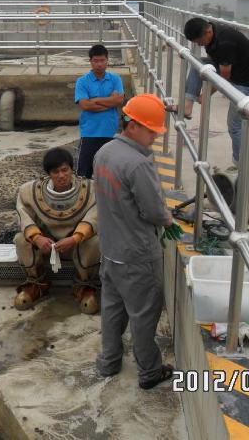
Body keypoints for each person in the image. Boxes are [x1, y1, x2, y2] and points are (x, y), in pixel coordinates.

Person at [93, 94, 183, 389]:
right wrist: (169, 220)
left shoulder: (104, 152)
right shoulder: (138, 164)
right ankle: (149, 372)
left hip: (111, 251)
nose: (155, 136)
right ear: (132, 126)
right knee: (144, 315)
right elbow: (155, 211)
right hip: (137, 255)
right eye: (151, 130)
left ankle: (109, 361)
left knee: (112, 309)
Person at [13, 147, 101, 314]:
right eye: (55, 172)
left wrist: (75, 238)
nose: (61, 175)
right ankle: (37, 283)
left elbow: (95, 216)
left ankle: (83, 285)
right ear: (48, 173)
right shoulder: (29, 191)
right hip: (46, 245)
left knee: (95, 241)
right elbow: (23, 215)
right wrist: (37, 237)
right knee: (21, 239)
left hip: (75, 245)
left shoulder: (91, 190)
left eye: (65, 170)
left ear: (71, 169)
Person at [180, 17, 249, 168]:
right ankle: (187, 106)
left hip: (246, 82)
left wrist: (207, 94)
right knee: (197, 64)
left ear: (208, 32)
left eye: (199, 41)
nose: (198, 44)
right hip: (234, 71)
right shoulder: (213, 34)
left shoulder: (225, 42)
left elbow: (224, 78)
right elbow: (220, 67)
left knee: (235, 125)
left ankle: (242, 166)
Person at [74, 44, 125, 178]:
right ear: (90, 61)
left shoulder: (115, 79)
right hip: (89, 133)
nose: (99, 64)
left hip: (110, 132)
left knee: (110, 174)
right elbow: (85, 105)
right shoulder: (82, 81)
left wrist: (95, 100)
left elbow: (119, 101)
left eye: (102, 60)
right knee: (83, 175)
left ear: (107, 60)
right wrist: (110, 101)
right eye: (96, 61)